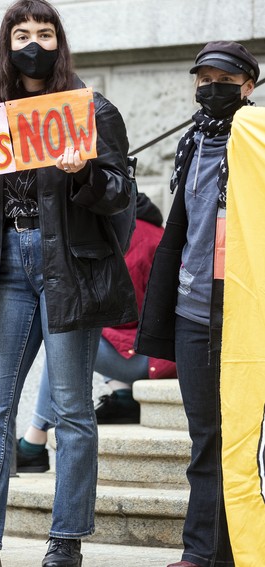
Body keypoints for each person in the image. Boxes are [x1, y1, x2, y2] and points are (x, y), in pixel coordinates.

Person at [0, 1, 135, 566]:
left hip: (69, 269)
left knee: (71, 410)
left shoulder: (91, 110)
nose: (32, 42)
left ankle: (65, 541)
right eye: (21, 33)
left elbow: (119, 194)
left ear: (59, 42)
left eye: (43, 32)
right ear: (6, 44)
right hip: (6, 266)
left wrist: (81, 169)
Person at [135, 41, 259, 567]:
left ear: (249, 86)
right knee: (205, 436)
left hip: (246, 312)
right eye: (203, 77)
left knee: (242, 439)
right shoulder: (191, 143)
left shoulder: (255, 139)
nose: (212, 87)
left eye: (225, 79)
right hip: (194, 310)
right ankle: (202, 552)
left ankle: (242, 547)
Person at [17, 192, 177, 472]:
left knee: (67, 330)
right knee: (74, 323)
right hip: (156, 351)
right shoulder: (154, 232)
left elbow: (128, 311)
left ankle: (35, 439)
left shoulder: (129, 240)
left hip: (149, 357)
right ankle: (123, 397)